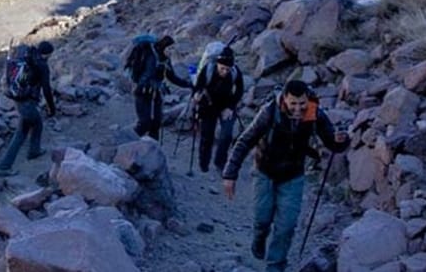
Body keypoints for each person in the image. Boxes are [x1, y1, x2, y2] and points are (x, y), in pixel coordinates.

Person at [221, 80, 349, 272]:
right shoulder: (270, 111)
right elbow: (245, 141)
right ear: (285, 100)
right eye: (293, 104)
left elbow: (333, 144)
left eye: (302, 103)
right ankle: (259, 236)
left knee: (286, 226)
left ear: (307, 99)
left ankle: (275, 266)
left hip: (293, 175)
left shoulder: (316, 114)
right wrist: (230, 174)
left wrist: (341, 140)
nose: (298, 108)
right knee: (262, 217)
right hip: (264, 171)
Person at [0, 40, 57, 176]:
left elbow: (23, 80)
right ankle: (4, 167)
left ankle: (34, 151)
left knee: (33, 125)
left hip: (19, 98)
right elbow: (46, 89)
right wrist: (52, 108)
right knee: (22, 133)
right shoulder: (41, 65)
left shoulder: (28, 57)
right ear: (47, 54)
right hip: (27, 102)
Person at [126, 34, 192, 140]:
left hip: (156, 93)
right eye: (170, 48)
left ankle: (153, 148)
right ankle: (128, 141)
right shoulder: (151, 56)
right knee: (144, 123)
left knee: (156, 123)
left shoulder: (165, 59)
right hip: (142, 93)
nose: (172, 51)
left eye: (172, 48)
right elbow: (145, 76)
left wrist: (189, 85)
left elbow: (172, 77)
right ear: (164, 46)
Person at [192, 42, 244, 172]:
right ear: (217, 64)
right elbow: (198, 86)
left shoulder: (235, 71)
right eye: (222, 68)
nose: (225, 71)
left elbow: (239, 90)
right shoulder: (208, 69)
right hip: (208, 106)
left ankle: (220, 163)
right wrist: (197, 95)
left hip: (226, 106)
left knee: (226, 135)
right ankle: (204, 163)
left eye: (227, 69)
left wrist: (231, 107)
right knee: (207, 136)